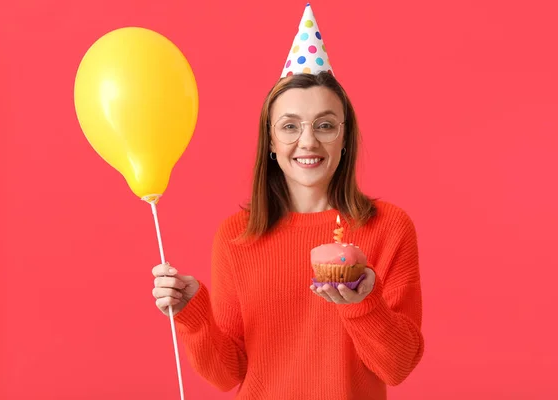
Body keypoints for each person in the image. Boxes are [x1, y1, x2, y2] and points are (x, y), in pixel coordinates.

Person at [151, 4, 424, 400]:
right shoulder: (236, 237)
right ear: (273, 143)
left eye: (325, 125)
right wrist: (193, 314)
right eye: (290, 126)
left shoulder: (389, 227)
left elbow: (398, 367)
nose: (308, 141)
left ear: (345, 139)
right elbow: (228, 376)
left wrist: (365, 303)